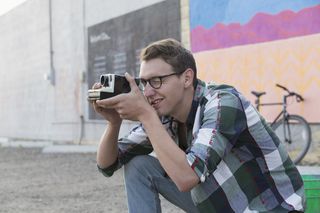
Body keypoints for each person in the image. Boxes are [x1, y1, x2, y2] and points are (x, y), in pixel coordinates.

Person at [90, 38, 305, 213]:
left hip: (271, 208)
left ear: (187, 78)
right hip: (221, 204)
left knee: (188, 171)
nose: (147, 92)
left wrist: (146, 116)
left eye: (157, 81)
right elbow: (107, 165)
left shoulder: (222, 103)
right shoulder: (165, 114)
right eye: (144, 82)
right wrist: (114, 123)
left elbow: (186, 178)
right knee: (139, 166)